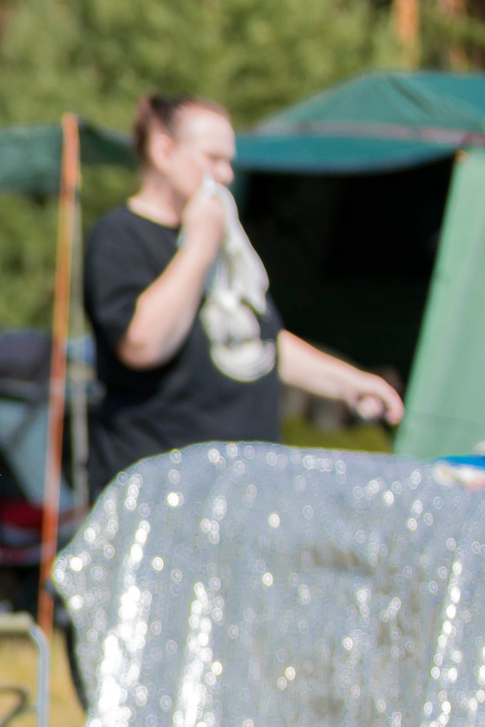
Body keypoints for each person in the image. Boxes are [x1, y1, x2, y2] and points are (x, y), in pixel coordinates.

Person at [86, 93, 403, 500]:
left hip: (246, 489)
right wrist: (198, 247)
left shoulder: (227, 243)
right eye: (212, 159)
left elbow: (261, 342)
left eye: (229, 160)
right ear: (163, 150)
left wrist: (350, 382)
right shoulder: (121, 237)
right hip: (160, 493)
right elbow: (143, 344)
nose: (226, 174)